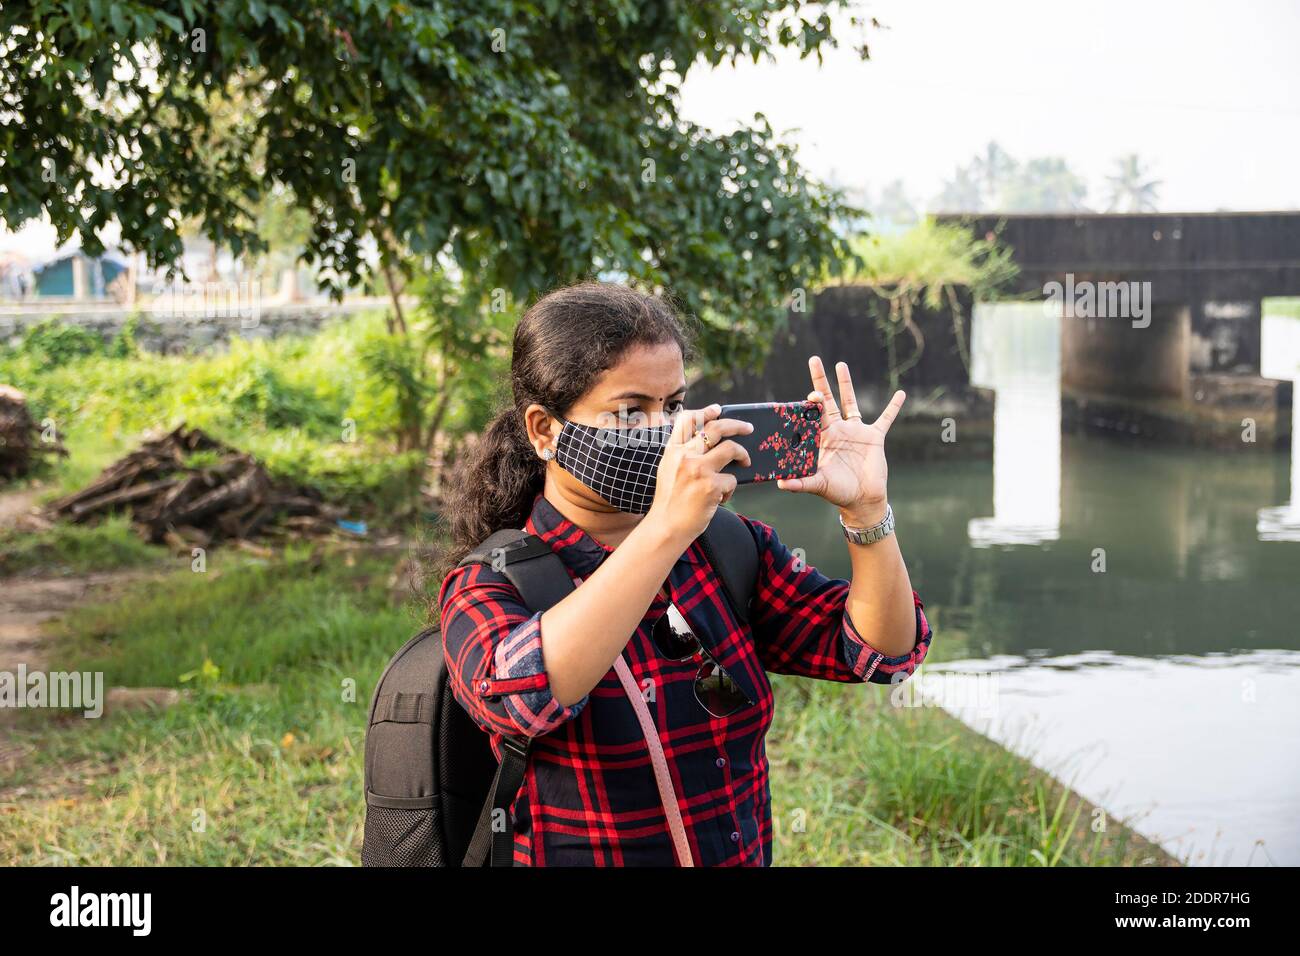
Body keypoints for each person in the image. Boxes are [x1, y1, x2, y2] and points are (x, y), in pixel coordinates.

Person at [437, 281, 933, 865]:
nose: (665, 430)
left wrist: (867, 512)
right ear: (545, 430)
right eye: (629, 412)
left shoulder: (724, 547)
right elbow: (523, 699)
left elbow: (880, 652)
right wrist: (667, 528)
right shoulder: (492, 582)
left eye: (673, 406)